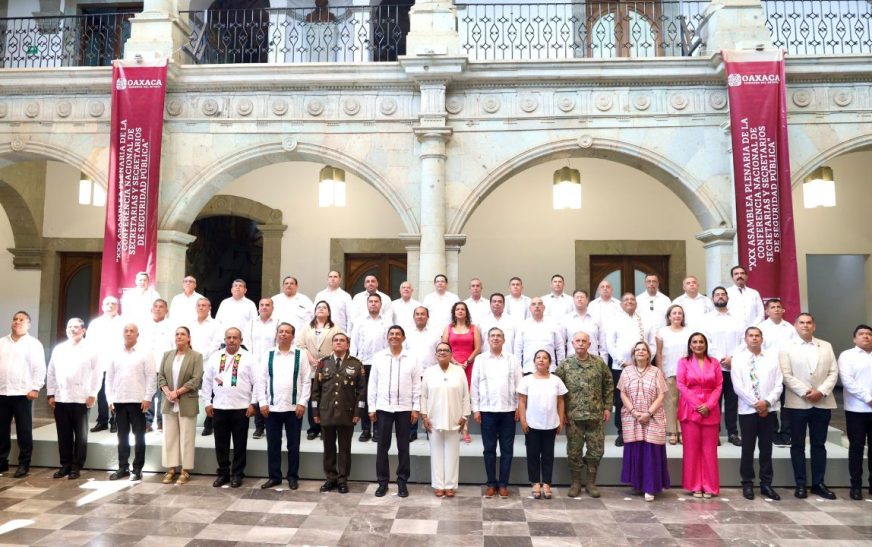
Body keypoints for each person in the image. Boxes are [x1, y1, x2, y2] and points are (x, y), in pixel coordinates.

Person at [779, 313, 839, 500]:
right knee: (797, 445)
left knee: (819, 444)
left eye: (809, 323)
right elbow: (786, 375)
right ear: (795, 326)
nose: (805, 325)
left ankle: (818, 483)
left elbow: (833, 372)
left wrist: (820, 391)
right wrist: (807, 392)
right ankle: (800, 484)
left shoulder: (826, 346)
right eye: (801, 323)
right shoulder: (786, 346)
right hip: (797, 403)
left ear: (814, 326)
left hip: (822, 402)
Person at [555, 331, 613, 498]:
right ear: (572, 344)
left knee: (596, 451)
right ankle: (575, 482)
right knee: (574, 451)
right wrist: (562, 412)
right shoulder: (565, 365)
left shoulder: (599, 363)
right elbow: (557, 390)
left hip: (596, 416)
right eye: (577, 341)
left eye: (584, 341)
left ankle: (591, 482)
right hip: (573, 417)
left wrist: (608, 407)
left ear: (589, 344)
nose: (580, 343)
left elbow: (608, 384)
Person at [201, 327, 258, 488]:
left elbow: (257, 383)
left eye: (235, 337)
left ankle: (238, 474)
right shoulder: (215, 357)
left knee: (240, 444)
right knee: (221, 443)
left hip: (241, 408)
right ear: (224, 339)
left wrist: (253, 403)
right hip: (219, 408)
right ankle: (223, 473)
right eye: (228, 337)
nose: (231, 340)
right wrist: (207, 402)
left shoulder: (249, 358)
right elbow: (206, 381)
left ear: (241, 340)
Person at [257, 323, 311, 490]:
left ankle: (293, 477)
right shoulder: (268, 354)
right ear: (276, 335)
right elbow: (261, 380)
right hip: (272, 408)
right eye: (281, 332)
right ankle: (274, 477)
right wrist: (263, 402)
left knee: (293, 445)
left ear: (293, 336)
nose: (284, 334)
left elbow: (306, 380)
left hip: (294, 408)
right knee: (273, 444)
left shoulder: (300, 355)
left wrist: (302, 402)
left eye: (288, 332)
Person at [368, 326, 421, 498]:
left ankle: (402, 482)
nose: (394, 336)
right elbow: (373, 384)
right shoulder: (379, 357)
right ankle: (382, 483)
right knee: (382, 447)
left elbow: (417, 385)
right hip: (383, 408)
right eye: (391, 334)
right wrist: (371, 407)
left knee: (403, 447)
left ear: (403, 338)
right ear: (387, 337)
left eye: (398, 334)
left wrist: (416, 407)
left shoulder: (412, 358)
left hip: (405, 409)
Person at [731, 326, 783, 501]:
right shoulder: (738, 359)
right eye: (751, 336)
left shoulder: (772, 358)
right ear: (745, 339)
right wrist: (756, 404)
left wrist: (766, 403)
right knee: (748, 448)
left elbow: (778, 384)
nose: (754, 338)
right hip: (747, 410)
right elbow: (738, 386)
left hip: (769, 409)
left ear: (762, 338)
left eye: (757, 336)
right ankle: (747, 483)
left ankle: (766, 483)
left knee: (766, 448)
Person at [311, 332, 366, 494]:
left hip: (346, 413)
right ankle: (330, 478)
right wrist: (315, 411)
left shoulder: (356, 365)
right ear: (332, 344)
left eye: (342, 341)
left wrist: (358, 412)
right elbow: (316, 390)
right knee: (328, 448)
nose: (338, 343)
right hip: (326, 412)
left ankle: (342, 479)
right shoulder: (323, 363)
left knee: (344, 449)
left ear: (347, 345)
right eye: (335, 340)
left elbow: (361, 392)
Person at [46, 318, 100, 480]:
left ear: (83, 330)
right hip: (62, 397)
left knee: (81, 435)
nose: (72, 329)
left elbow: (97, 374)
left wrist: (93, 394)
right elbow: (51, 372)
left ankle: (76, 466)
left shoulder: (91, 349)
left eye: (76, 327)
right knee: (64, 434)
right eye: (69, 327)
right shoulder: (59, 349)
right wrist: (50, 393)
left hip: (81, 398)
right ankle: (65, 464)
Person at [471, 327, 522, 498]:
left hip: (508, 411)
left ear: (504, 339)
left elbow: (519, 385)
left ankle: (503, 484)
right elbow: (475, 386)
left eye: (499, 336)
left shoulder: (512, 359)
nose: (495, 338)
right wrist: (476, 409)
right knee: (489, 449)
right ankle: (491, 483)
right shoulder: (480, 359)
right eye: (492, 335)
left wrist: (518, 408)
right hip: (487, 411)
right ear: (487, 339)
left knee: (507, 449)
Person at [618, 341, 670, 501]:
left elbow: (662, 395)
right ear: (633, 354)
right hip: (632, 417)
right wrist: (634, 412)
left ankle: (650, 487)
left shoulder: (656, 372)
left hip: (652, 417)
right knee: (637, 448)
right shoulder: (626, 372)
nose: (640, 352)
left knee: (650, 451)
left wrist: (648, 413)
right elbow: (623, 394)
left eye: (644, 350)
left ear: (649, 354)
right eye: (637, 350)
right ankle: (638, 484)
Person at [106, 323, 156, 481]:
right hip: (119, 400)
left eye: (132, 331)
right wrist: (109, 398)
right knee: (122, 437)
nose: (128, 333)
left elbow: (151, 376)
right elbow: (109, 378)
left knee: (139, 437)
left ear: (137, 334)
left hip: (138, 401)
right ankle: (123, 467)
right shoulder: (115, 352)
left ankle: (137, 469)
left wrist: (148, 397)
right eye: (126, 331)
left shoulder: (145, 353)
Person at [0, 311, 46, 478]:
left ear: (29, 325)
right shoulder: (2, 342)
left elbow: (39, 368)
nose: (17, 322)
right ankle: (2, 462)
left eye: (21, 320)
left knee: (24, 430)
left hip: (23, 394)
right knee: (1, 430)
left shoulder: (33, 344)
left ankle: (24, 463)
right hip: (2, 393)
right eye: (15, 319)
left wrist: (36, 388)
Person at [421, 342, 470, 497]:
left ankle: (450, 485)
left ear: (451, 354)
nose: (442, 352)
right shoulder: (429, 372)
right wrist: (424, 415)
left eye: (446, 350)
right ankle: (438, 485)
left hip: (455, 418)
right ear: (436, 354)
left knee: (452, 453)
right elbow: (423, 395)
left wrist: (464, 416)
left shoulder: (459, 372)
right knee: (436, 453)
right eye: (439, 350)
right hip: (433, 418)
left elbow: (465, 395)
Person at [676, 332, 722, 498]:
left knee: (709, 451)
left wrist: (708, 405)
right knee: (691, 449)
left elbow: (719, 385)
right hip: (690, 408)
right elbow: (680, 384)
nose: (698, 345)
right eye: (694, 342)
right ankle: (695, 485)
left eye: (701, 342)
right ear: (690, 345)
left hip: (710, 409)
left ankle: (709, 486)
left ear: (706, 344)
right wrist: (697, 405)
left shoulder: (714, 362)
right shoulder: (683, 362)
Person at [608, 292, 657, 447]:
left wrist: (644, 360)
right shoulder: (614, 320)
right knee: (621, 399)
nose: (629, 302)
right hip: (621, 367)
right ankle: (622, 432)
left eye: (632, 300)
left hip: (642, 367)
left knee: (642, 397)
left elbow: (652, 344)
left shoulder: (646, 321)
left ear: (636, 303)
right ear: (621, 304)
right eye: (626, 300)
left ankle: (641, 429)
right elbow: (610, 344)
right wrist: (622, 362)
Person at [518, 350, 567, 499]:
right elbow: (521, 401)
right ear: (534, 361)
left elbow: (560, 401)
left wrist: (560, 419)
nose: (541, 360)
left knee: (548, 455)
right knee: (532, 454)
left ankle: (546, 483)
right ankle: (535, 483)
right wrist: (523, 420)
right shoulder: (527, 380)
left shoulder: (556, 380)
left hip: (550, 424)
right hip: (532, 424)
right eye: (538, 357)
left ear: (549, 362)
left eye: (545, 358)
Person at [159, 326, 204, 485]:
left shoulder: (196, 356)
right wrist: (168, 393)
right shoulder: (167, 355)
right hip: (169, 402)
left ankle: (185, 470)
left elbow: (195, 380)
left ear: (189, 338)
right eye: (177, 334)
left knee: (186, 437)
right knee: (169, 437)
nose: (179, 336)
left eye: (183, 334)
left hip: (186, 402)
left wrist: (177, 393)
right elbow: (161, 377)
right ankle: (171, 469)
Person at [701, 287, 745, 447]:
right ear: (712, 299)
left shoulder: (738, 318)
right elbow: (707, 342)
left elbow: (743, 340)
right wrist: (721, 358)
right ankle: (714, 433)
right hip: (714, 366)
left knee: (733, 401)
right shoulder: (707, 319)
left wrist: (732, 358)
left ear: (727, 297)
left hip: (734, 366)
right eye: (717, 295)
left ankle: (733, 433)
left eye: (722, 294)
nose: (720, 297)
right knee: (714, 402)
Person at [298, 300, 341, 441]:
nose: (321, 309)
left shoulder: (335, 328)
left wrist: (325, 361)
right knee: (313, 398)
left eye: (324, 308)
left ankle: (326, 428)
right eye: (319, 307)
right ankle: (313, 428)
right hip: (310, 367)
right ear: (315, 311)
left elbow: (339, 346)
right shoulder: (307, 327)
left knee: (327, 398)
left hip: (328, 367)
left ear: (328, 312)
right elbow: (300, 345)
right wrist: (310, 358)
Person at [838, 324, 872, 500]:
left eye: (868, 334)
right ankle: (856, 486)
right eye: (861, 334)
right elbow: (848, 381)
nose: (866, 336)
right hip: (856, 410)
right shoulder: (847, 356)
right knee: (856, 448)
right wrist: (868, 398)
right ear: (854, 338)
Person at [758, 298, 798, 447]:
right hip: (769, 370)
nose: (776, 309)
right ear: (766, 311)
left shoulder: (790, 328)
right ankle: (773, 432)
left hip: (788, 370)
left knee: (787, 403)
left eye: (778, 307)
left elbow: (795, 349)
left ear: (783, 310)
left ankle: (786, 433)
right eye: (772, 307)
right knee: (772, 402)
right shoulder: (761, 328)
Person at [351, 293, 390, 442]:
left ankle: (378, 430)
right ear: (367, 304)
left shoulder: (387, 322)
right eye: (371, 302)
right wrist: (355, 362)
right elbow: (354, 343)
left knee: (379, 396)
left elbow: (389, 343)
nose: (373, 304)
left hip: (381, 364)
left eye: (376, 301)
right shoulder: (360, 322)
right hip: (363, 363)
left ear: (380, 304)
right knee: (364, 397)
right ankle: (366, 430)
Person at [443, 301, 481, 443]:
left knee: (466, 397)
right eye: (457, 309)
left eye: (462, 309)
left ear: (466, 312)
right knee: (453, 396)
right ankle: (453, 427)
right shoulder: (449, 328)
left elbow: (477, 348)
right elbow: (444, 346)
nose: (460, 311)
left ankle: (465, 429)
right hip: (452, 366)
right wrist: (455, 362)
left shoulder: (473, 328)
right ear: (454, 312)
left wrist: (467, 362)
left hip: (469, 366)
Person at [87, 296, 124, 433]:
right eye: (107, 303)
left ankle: (115, 420)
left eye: (113, 303)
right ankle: (102, 420)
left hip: (118, 363)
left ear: (117, 306)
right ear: (102, 306)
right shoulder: (95, 324)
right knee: (101, 392)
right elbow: (89, 343)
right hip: (100, 362)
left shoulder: (123, 322)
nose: (110, 306)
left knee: (116, 392)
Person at [404, 305, 441, 441]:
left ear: (427, 317)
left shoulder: (435, 333)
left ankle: (429, 429)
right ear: (414, 317)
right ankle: (412, 431)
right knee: (412, 402)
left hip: (430, 372)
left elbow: (440, 352)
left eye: (423, 314)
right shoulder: (407, 333)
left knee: (430, 402)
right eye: (417, 314)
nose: (420, 316)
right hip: (411, 373)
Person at [655, 304, 690, 445]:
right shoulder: (662, 331)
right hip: (668, 370)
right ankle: (672, 432)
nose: (677, 315)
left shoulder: (689, 331)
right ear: (669, 316)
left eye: (679, 313)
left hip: (686, 372)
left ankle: (682, 431)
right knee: (670, 402)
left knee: (684, 403)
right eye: (674, 313)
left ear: (682, 316)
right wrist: (660, 370)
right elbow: (658, 352)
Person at [190, 297, 222, 437]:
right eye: (199, 305)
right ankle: (189, 422)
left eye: (204, 305)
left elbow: (217, 344)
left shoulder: (216, 324)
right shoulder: (190, 324)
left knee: (210, 394)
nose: (201, 307)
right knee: (189, 393)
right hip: (190, 363)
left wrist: (200, 356)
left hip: (209, 363)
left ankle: (209, 424)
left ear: (210, 308)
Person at [249, 297, 278, 439]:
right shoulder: (252, 323)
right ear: (258, 307)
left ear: (272, 307)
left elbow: (279, 343)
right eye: (262, 305)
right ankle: (259, 427)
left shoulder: (277, 323)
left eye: (267, 305)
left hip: (272, 362)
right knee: (258, 393)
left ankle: (271, 426)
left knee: (271, 393)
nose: (264, 307)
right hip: (255, 362)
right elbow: (248, 342)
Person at [143, 299, 173, 433]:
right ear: (151, 310)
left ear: (166, 311)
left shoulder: (172, 325)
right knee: (148, 394)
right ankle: (147, 422)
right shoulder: (144, 325)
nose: (158, 309)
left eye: (161, 307)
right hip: (147, 366)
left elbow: (174, 346)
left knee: (163, 396)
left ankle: (161, 422)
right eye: (155, 306)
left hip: (164, 365)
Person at [514, 297, 564, 375]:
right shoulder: (522, 326)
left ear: (544, 308)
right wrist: (518, 369)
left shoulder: (553, 324)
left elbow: (560, 347)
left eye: (539, 304)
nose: (537, 306)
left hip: (550, 369)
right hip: (529, 369)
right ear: (530, 308)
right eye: (534, 304)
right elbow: (518, 349)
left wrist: (560, 367)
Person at [562, 290, 606, 361]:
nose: (579, 299)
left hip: (593, 360)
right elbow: (561, 344)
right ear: (573, 300)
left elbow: (603, 344)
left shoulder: (596, 318)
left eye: (582, 297)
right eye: (577, 297)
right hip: (572, 361)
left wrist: (604, 363)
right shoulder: (566, 319)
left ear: (587, 300)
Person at [215, 279, 258, 343]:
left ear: (245, 290)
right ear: (231, 290)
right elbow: (217, 322)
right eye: (235, 285)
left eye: (240, 286)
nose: (238, 287)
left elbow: (254, 324)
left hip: (243, 342)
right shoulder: (224, 303)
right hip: (225, 341)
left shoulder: (250, 304)